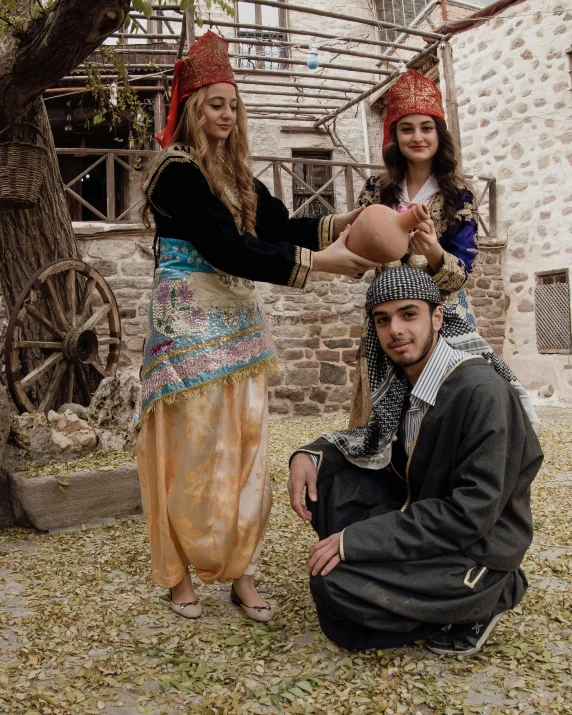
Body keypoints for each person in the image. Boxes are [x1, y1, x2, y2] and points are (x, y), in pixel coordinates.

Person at [135, 31, 376, 623]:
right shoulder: (174, 173)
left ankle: (241, 570)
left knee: (246, 450)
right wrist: (324, 265)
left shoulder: (238, 174)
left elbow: (280, 228)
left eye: (233, 104)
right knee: (190, 457)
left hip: (240, 330)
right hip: (187, 336)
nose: (227, 113)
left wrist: (346, 222)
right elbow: (227, 249)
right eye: (215, 103)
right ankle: (179, 575)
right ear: (192, 106)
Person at [288, 267, 543, 654]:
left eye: (409, 314)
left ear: (437, 317)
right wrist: (312, 454)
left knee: (334, 587)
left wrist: (355, 541)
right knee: (322, 480)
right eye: (383, 320)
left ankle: (491, 595)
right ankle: (430, 594)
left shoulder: (481, 393)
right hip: (427, 518)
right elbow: (371, 442)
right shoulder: (407, 378)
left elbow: (468, 514)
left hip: (476, 546)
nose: (396, 330)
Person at [350, 69, 481, 428]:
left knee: (448, 405)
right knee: (385, 411)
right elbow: (355, 257)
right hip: (387, 312)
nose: (417, 137)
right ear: (394, 136)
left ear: (440, 134)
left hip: (442, 312)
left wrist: (435, 251)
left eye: (427, 127)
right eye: (407, 128)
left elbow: (462, 274)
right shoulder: (376, 189)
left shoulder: (459, 194)